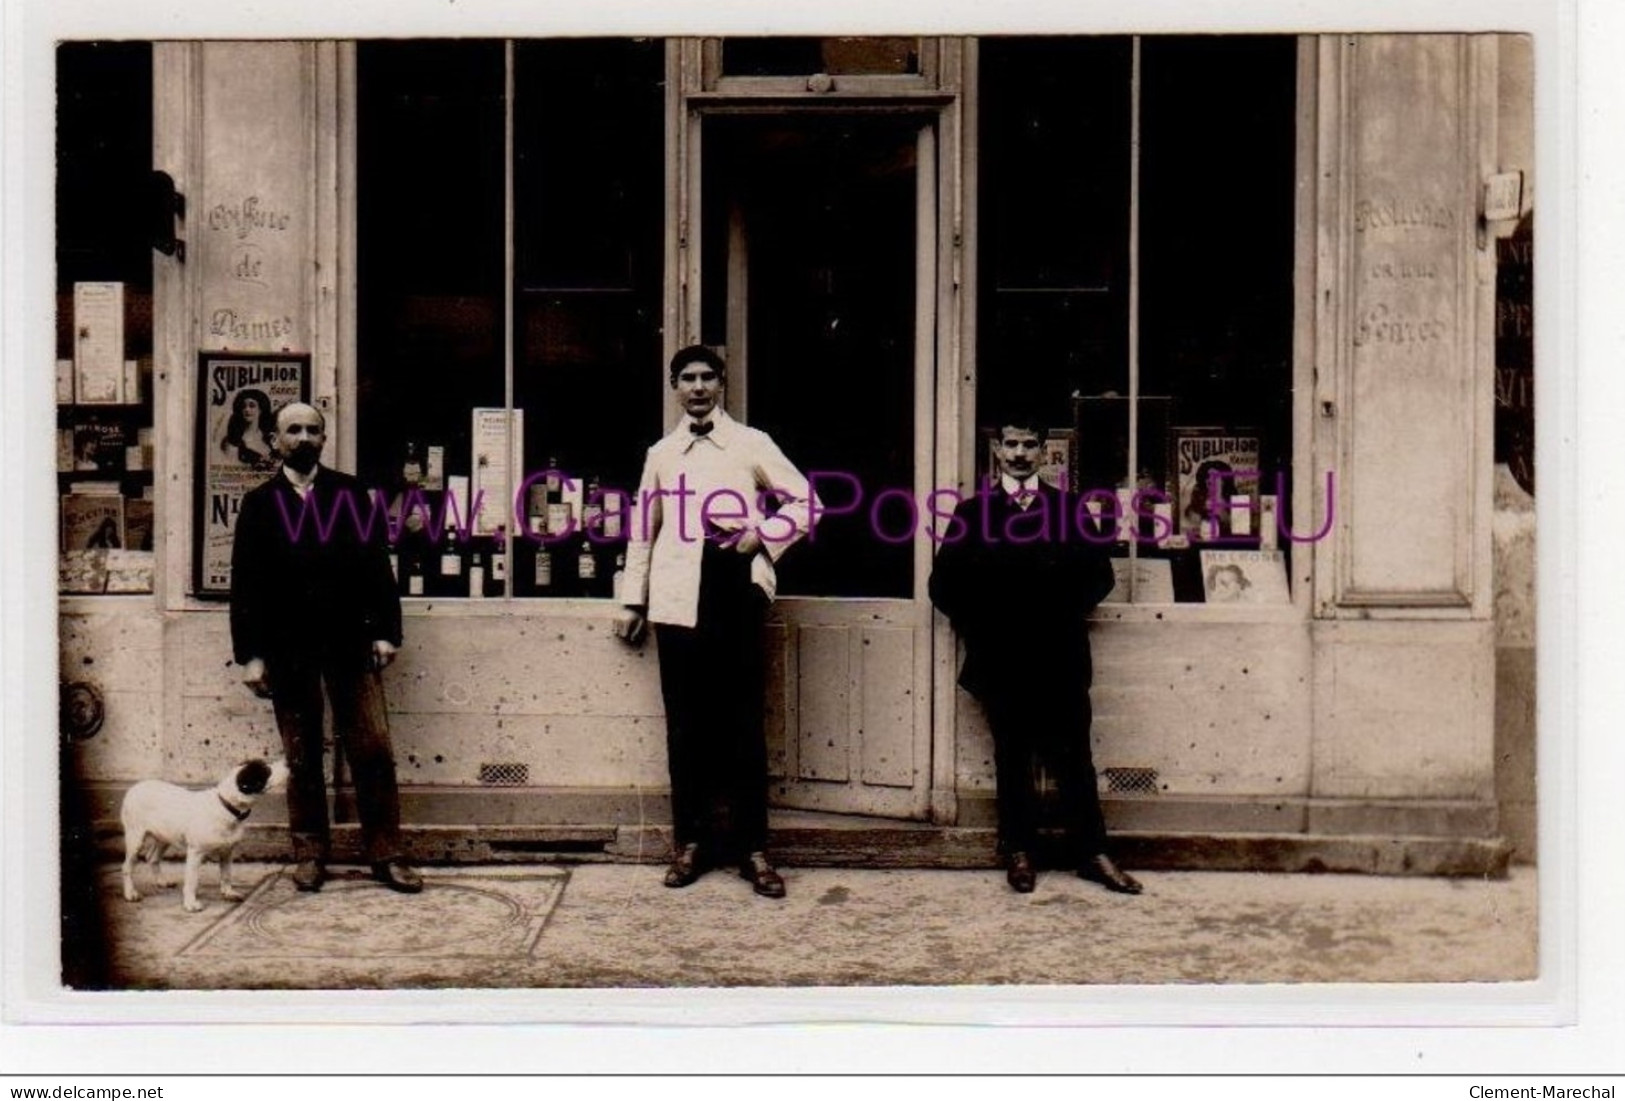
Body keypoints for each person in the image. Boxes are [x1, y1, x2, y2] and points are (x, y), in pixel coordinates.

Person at [614, 345, 819, 899]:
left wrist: (764, 535)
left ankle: (754, 849)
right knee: (686, 726)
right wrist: (633, 600)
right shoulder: (662, 452)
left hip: (734, 586)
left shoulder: (750, 444)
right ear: (675, 387)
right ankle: (691, 844)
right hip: (678, 593)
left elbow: (806, 502)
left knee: (742, 724)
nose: (699, 387)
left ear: (722, 384)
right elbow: (642, 528)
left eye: (708, 377)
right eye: (688, 378)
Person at [928, 412, 1142, 896]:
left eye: (1029, 444)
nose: (1020, 454)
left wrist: (1057, 614)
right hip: (1002, 657)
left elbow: (1100, 578)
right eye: (1011, 444)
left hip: (1059, 653)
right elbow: (943, 586)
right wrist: (988, 628)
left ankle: (1093, 852)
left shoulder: (1068, 509)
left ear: (1044, 451)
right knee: (1012, 755)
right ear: (998, 451)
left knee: (1074, 757)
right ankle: (1019, 851)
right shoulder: (972, 513)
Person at [229, 402, 422, 895]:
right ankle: (310, 853)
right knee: (302, 754)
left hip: (349, 641)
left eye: (313, 430)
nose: (304, 437)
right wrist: (250, 654)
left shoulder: (351, 494)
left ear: (324, 438)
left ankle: (386, 853)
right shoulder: (259, 504)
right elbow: (246, 585)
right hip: (288, 647)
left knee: (373, 748)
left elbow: (377, 569)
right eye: (293, 430)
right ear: (275, 440)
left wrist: (385, 632)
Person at [219, 388, 276, 468]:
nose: (247, 409)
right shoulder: (232, 441)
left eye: (252, 406)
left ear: (260, 410)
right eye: (243, 406)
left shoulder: (270, 438)